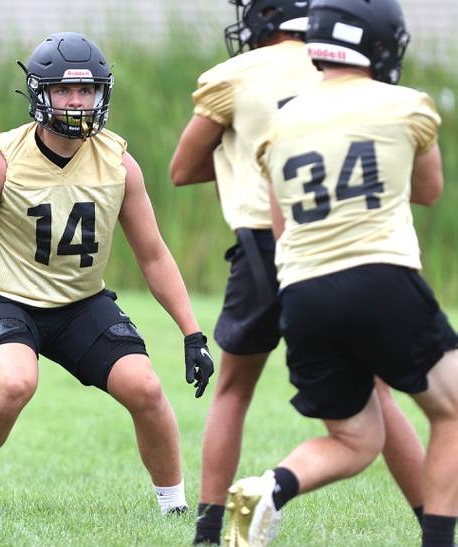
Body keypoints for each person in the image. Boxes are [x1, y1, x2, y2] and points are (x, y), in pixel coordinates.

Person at [169, 1, 429, 544]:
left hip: (264, 245)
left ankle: (209, 529)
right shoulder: (350, 70)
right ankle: (434, 522)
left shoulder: (234, 76)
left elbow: (181, 168)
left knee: (234, 390)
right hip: (342, 245)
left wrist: (235, 162)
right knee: (377, 395)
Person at [0, 31, 215, 516]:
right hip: (5, 298)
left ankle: (174, 507)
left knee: (146, 388)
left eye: (87, 91)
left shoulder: (119, 162)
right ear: (40, 94)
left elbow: (153, 255)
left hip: (81, 301)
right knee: (15, 383)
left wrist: (192, 333)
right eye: (65, 90)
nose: (77, 101)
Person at [226, 0, 458, 545]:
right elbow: (429, 192)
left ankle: (270, 489)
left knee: (356, 440)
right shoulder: (406, 105)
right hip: (381, 277)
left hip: (303, 295)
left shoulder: (280, 122)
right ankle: (440, 539)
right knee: (451, 411)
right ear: (379, 44)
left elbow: (282, 227)